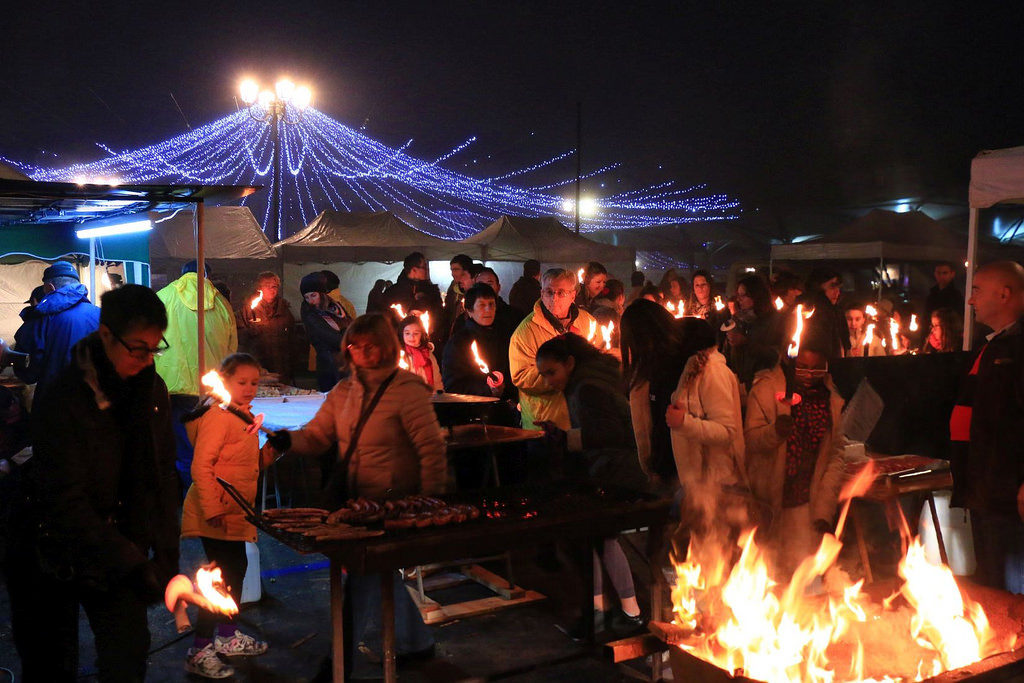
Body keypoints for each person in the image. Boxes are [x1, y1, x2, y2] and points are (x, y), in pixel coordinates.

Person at [5, 285, 180, 682]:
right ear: (106, 335)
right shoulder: (65, 396)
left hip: (118, 542)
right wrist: (134, 563)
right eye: (138, 348)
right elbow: (65, 498)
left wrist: (166, 554)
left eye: (155, 348)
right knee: (51, 663)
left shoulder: (151, 391)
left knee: (127, 654)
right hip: (51, 547)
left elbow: (161, 474)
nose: (147, 359)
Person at [264, 314, 445, 674]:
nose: (362, 352)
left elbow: (430, 448)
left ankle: (339, 663)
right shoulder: (343, 391)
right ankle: (417, 643)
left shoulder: (407, 390)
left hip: (395, 501)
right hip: (357, 500)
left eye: (370, 345)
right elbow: (317, 436)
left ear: (386, 346)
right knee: (376, 573)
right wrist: (287, 439)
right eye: (354, 346)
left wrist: (430, 501)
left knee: (363, 578)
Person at [534, 334, 647, 638]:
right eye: (542, 374)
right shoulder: (592, 378)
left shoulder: (587, 388)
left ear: (569, 363)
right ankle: (610, 611)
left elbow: (609, 432)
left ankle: (612, 613)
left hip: (616, 472)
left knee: (596, 539)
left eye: (551, 373)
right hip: (615, 469)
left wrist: (565, 438)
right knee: (598, 540)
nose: (547, 381)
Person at [181, 353, 270, 678]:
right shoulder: (219, 417)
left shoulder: (241, 415)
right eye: (241, 382)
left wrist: (274, 448)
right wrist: (214, 507)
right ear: (225, 380)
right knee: (220, 581)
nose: (248, 389)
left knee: (236, 572)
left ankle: (228, 638)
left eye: (254, 383)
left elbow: (244, 464)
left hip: (235, 511)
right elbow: (201, 467)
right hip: (215, 512)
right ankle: (200, 648)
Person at [950, 261, 1024, 593]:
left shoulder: (1019, 348)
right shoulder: (995, 345)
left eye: (976, 290)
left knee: (1011, 591)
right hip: (986, 490)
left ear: (1005, 294)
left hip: (1010, 497)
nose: (970, 300)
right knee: (991, 585)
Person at [744, 341, 848, 578]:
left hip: (806, 503)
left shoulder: (830, 399)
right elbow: (750, 441)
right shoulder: (764, 390)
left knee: (802, 576)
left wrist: (823, 512)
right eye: (802, 367)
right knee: (767, 576)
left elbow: (834, 455)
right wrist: (775, 432)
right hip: (769, 501)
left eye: (817, 368)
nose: (810, 375)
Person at [155, 260, 238, 492]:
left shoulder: (163, 297)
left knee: (182, 446)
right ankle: (206, 495)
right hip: (211, 390)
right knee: (208, 446)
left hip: (173, 387)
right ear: (207, 276)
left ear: (182, 275)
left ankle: (189, 497)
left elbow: (153, 343)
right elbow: (232, 348)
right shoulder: (222, 303)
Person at [666, 317, 747, 543]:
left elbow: (726, 431)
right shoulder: (692, 368)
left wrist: (684, 423)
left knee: (713, 555)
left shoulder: (713, 372)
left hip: (718, 484)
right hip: (698, 485)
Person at [510, 268, 596, 431]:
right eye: (549, 292)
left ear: (573, 295)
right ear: (541, 294)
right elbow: (520, 376)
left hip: (582, 422)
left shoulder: (588, 322)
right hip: (545, 425)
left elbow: (598, 356)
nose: (554, 298)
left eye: (561, 292)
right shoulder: (526, 331)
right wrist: (561, 373)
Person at [620, 299, 688, 489]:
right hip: (671, 469)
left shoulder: (668, 371)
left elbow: (660, 425)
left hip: (676, 473)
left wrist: (657, 469)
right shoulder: (653, 369)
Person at [13, 260, 100, 390]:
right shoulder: (102, 315)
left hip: (55, 402)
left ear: (49, 288)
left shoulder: (41, 318)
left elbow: (30, 374)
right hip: (98, 402)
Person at [442, 283, 515, 409]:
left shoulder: (505, 336)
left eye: (491, 304)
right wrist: (487, 390)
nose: (488, 310)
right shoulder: (458, 343)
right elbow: (452, 385)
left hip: (505, 411)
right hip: (474, 412)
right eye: (482, 305)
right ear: (469, 310)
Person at [236, 271, 295, 384]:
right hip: (258, 362)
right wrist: (250, 332)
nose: (272, 290)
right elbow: (239, 336)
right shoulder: (248, 310)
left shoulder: (283, 309)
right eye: (267, 286)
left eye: (274, 286)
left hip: (280, 363)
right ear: (259, 288)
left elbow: (292, 337)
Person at [300, 272, 351, 392]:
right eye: (306, 297)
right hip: (329, 365)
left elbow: (350, 324)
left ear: (322, 293)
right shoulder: (310, 313)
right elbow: (329, 336)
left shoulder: (335, 307)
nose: (310, 301)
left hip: (344, 362)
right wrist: (350, 338)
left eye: (313, 295)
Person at [383, 252, 444, 342]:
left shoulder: (432, 291)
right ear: (414, 270)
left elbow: (440, 316)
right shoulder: (393, 293)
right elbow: (387, 321)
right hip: (401, 343)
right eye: (424, 267)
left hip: (428, 342)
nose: (427, 270)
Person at [802, 268, 848, 359]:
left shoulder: (837, 311)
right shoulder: (810, 313)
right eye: (832, 287)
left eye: (838, 287)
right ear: (818, 287)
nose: (837, 292)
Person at [398, 315, 442, 392]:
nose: (412, 337)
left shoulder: (428, 355)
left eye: (416, 333)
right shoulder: (399, 356)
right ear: (402, 334)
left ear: (421, 334)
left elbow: (437, 381)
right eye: (407, 333)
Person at [443, 254, 476, 341]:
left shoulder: (475, 292)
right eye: (452, 270)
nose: (453, 274)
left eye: (456, 269)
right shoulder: (453, 287)